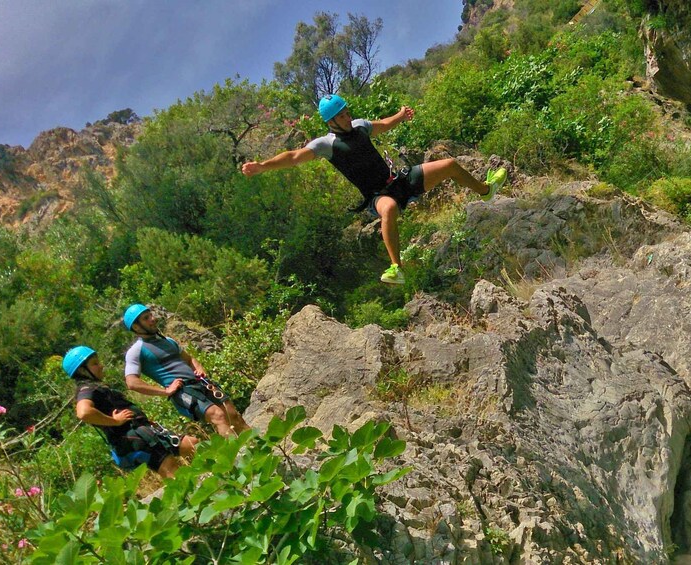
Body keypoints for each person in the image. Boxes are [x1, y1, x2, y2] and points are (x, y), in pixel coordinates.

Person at [241, 94, 507, 285]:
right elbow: (293, 156)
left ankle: (486, 190)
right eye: (342, 115)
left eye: (346, 112)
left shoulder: (360, 127)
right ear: (331, 121)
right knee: (389, 209)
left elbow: (384, 124)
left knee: (449, 164)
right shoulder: (326, 144)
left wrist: (401, 116)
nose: (348, 116)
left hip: (399, 181)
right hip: (377, 196)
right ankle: (396, 267)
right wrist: (262, 166)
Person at [63, 345, 197, 479]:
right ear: (82, 371)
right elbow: (84, 412)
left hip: (144, 431)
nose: (101, 366)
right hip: (132, 438)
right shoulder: (86, 389)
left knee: (192, 444)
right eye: (94, 364)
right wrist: (115, 421)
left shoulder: (95, 387)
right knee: (171, 468)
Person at [122, 304, 249, 438]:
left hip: (200, 383)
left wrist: (199, 368)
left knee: (233, 414)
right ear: (136, 327)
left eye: (151, 315)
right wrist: (165, 392)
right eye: (146, 318)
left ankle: (261, 446)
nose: (153, 319)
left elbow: (189, 359)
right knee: (218, 416)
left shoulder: (168, 341)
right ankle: (238, 455)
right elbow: (132, 383)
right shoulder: (136, 351)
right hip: (183, 392)